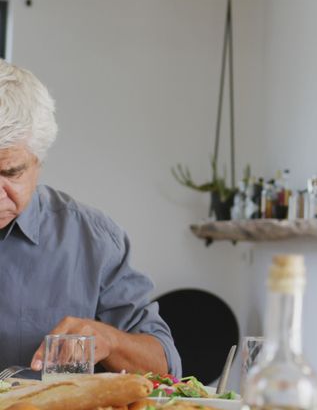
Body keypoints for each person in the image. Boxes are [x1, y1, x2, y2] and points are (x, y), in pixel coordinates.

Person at [0, 59, 181, 377]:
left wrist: (110, 340)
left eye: (10, 173)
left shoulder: (92, 240)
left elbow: (165, 368)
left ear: (39, 161)